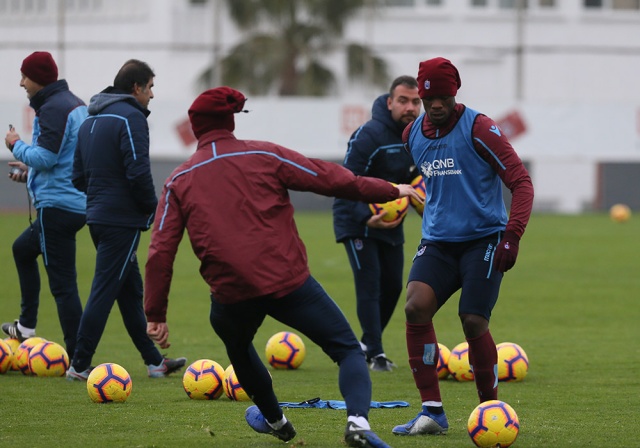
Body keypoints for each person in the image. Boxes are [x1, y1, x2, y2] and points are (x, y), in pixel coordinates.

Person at [143, 87, 422, 447]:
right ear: (231, 120)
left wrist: (156, 313)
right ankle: (357, 423)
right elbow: (330, 178)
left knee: (239, 348)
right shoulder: (263, 153)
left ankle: (276, 421)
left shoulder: (178, 180)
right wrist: (390, 189)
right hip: (288, 283)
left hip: (231, 295)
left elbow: (160, 251)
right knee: (349, 351)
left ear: (195, 128)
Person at [392, 57, 534, 436]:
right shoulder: (412, 137)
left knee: (472, 319)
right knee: (415, 306)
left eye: (442, 97)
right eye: (428, 98)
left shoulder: (480, 128)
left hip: (484, 240)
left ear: (454, 93)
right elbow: (436, 189)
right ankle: (432, 412)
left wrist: (512, 235)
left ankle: (490, 408)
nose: (435, 105)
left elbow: (521, 182)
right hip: (438, 242)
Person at [67, 59, 186, 380]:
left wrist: (101, 194)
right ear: (136, 88)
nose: (152, 95)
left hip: (97, 216)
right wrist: (154, 208)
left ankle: (154, 362)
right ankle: (79, 365)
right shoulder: (131, 117)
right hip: (121, 220)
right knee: (104, 290)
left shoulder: (90, 121)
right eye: (150, 88)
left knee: (129, 290)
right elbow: (137, 171)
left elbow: (77, 176)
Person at [333, 76, 422, 372]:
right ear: (389, 102)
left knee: (393, 287)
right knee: (369, 285)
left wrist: (423, 198)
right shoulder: (369, 135)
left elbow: (415, 179)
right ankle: (376, 353)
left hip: (391, 222)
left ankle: (365, 345)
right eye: (403, 101)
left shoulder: (417, 137)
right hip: (356, 219)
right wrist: (363, 215)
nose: (410, 107)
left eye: (415, 101)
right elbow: (347, 180)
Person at [2, 51, 87, 361]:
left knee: (63, 286)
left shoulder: (53, 108)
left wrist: (16, 144)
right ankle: (26, 327)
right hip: (73, 202)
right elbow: (65, 160)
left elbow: (47, 158)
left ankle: (79, 358)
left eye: (25, 76)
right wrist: (29, 173)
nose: (21, 82)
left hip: (58, 207)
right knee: (22, 249)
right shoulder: (73, 103)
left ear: (38, 78)